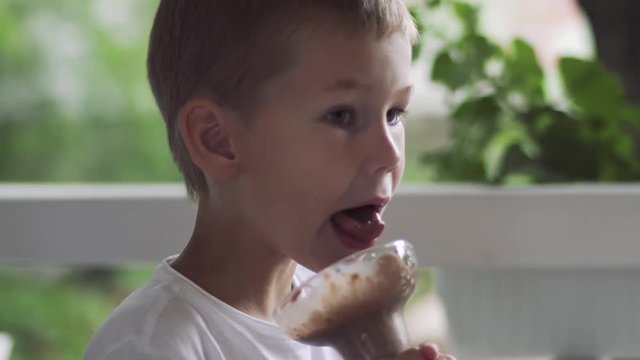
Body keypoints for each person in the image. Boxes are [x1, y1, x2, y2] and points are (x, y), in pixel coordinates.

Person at [84, 1, 455, 359]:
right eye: (341, 116)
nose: (389, 156)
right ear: (218, 139)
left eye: (394, 114)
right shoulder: (150, 346)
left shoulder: (336, 324)